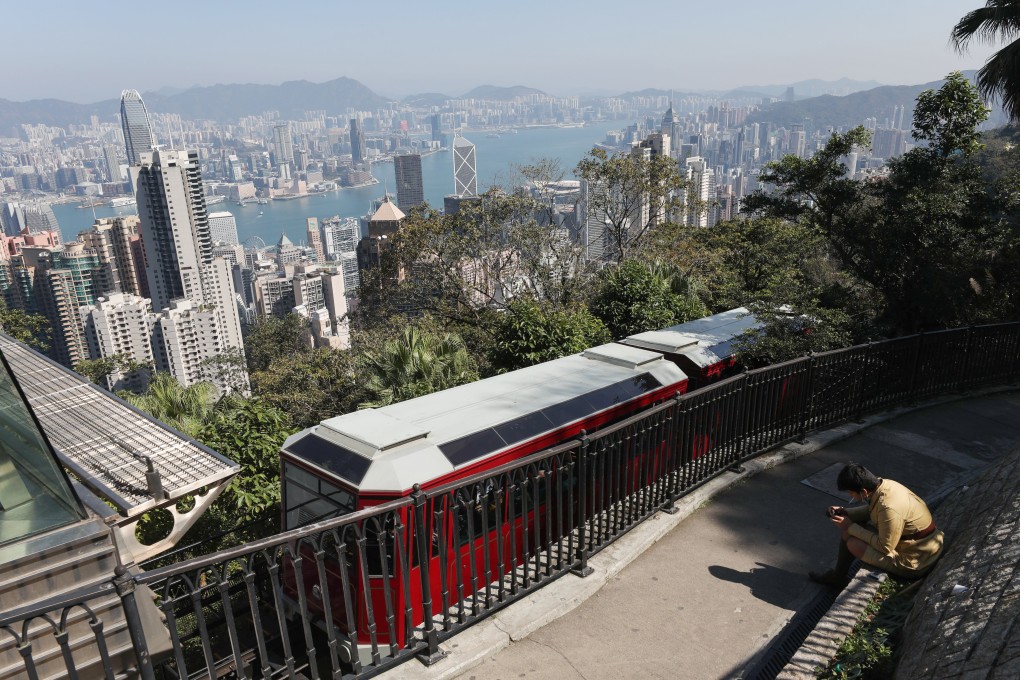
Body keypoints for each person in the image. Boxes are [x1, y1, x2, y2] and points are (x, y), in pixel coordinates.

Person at [809, 463, 944, 588]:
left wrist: (850, 527)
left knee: (853, 543)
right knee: (850, 530)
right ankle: (838, 577)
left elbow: (885, 547)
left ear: (863, 492)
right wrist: (845, 512)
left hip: (917, 560)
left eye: (850, 492)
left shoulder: (888, 508)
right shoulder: (885, 485)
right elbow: (872, 510)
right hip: (918, 544)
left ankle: (837, 578)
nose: (850, 495)